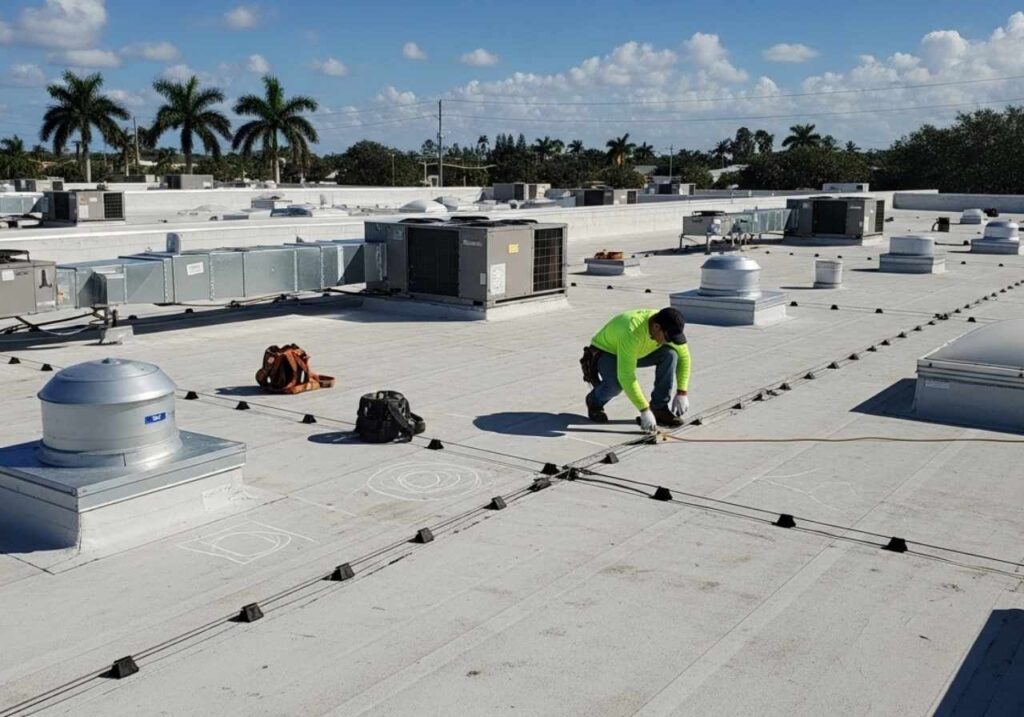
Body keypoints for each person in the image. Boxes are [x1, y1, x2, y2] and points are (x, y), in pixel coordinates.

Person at [585, 307, 691, 433]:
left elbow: (684, 358)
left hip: (638, 351)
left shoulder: (669, 325)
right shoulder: (632, 331)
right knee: (616, 384)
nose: (669, 341)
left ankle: (659, 408)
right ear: (656, 327)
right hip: (609, 351)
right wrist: (644, 410)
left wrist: (682, 392)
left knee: (671, 354)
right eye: (667, 338)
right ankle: (594, 400)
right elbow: (626, 375)